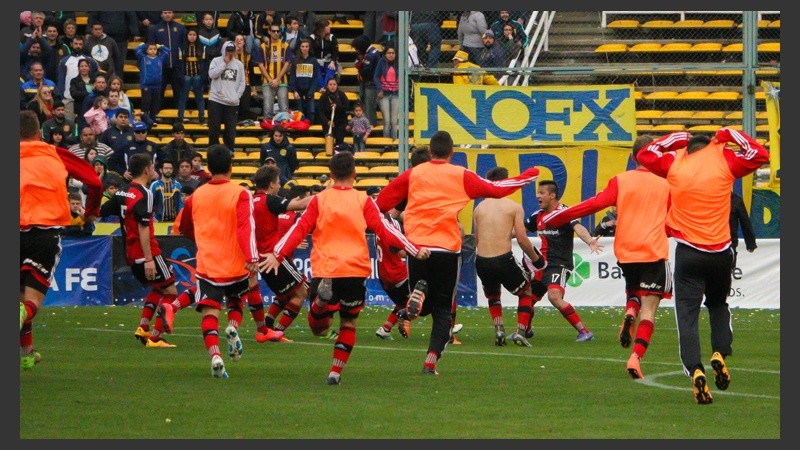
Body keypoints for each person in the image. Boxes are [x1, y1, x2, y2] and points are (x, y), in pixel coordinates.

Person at [376, 130, 539, 375]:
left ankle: (418, 295)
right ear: (452, 152)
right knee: (443, 310)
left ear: (430, 152)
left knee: (427, 306)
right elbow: (495, 189)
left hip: (417, 248)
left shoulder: (412, 174)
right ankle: (430, 363)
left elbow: (381, 204)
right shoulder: (460, 174)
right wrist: (528, 176)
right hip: (447, 249)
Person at [262, 151, 431, 385]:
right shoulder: (363, 200)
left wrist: (278, 253)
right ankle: (335, 373)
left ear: (331, 175)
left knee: (318, 329)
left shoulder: (320, 200)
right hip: (355, 269)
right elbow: (386, 230)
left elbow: (298, 229)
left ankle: (321, 304)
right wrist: (413, 249)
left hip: (326, 269)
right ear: (355, 174)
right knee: (348, 323)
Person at [636, 128, 769, 404]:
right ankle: (719, 352)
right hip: (721, 252)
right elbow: (760, 154)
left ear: (686, 148)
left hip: (689, 253)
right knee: (719, 306)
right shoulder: (725, 160)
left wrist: (677, 138)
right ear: (712, 146)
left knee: (687, 315)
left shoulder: (675, 164)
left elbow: (645, 153)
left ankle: (696, 369)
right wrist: (730, 134)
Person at [542, 136, 672, 378]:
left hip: (627, 251)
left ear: (633, 157)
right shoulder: (665, 184)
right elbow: (674, 217)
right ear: (656, 155)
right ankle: (636, 357)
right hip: (654, 250)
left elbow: (594, 204)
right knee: (650, 309)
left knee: (634, 291)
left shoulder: (621, 181)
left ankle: (630, 311)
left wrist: (559, 216)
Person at [179, 144, 276, 378]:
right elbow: (246, 227)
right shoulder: (240, 193)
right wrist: (252, 257)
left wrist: (202, 240)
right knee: (236, 303)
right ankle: (232, 327)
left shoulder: (195, 196)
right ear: (231, 166)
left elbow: (184, 227)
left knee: (209, 314)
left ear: (209, 168)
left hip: (208, 266)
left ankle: (215, 355)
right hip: (235, 264)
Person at [20, 110, 102, 369]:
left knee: (19, 296)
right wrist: (90, 214)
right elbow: (95, 183)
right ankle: (24, 341)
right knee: (31, 301)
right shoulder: (53, 152)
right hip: (44, 231)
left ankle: (26, 352)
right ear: (39, 133)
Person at [99, 153, 193, 348]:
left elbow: (102, 211)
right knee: (171, 293)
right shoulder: (146, 193)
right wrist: (150, 259)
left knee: (159, 287)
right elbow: (143, 227)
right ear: (146, 170)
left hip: (131, 254)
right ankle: (155, 338)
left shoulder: (123, 191)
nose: (154, 170)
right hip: (147, 252)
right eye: (152, 167)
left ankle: (143, 327)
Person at [473, 166, 546, 347]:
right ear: (507, 182)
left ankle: (499, 329)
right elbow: (521, 238)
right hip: (503, 259)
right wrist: (536, 259)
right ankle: (521, 331)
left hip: (481, 260)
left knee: (493, 294)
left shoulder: (479, 207)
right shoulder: (513, 207)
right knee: (526, 291)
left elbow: (477, 239)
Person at [524, 180, 601, 342]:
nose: (538, 196)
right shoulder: (537, 215)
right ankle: (525, 330)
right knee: (527, 299)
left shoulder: (564, 212)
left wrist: (590, 241)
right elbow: (519, 231)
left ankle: (584, 332)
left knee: (554, 297)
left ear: (552, 196)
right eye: (537, 192)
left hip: (559, 264)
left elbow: (578, 228)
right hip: (541, 265)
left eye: (542, 193)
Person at [250, 164, 313, 341]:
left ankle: (268, 326)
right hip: (273, 256)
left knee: (285, 294)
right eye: (278, 183)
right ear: (271, 184)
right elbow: (300, 204)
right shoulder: (269, 200)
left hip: (259, 258)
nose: (279, 186)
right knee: (302, 291)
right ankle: (278, 331)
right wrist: (328, 193)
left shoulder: (250, 201)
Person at [208, 41, 245, 154]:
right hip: (216, 99)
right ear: (224, 50)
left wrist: (236, 96)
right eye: (228, 50)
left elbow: (242, 82)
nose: (230, 53)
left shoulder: (239, 64)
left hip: (232, 102)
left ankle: (229, 149)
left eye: (232, 50)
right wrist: (224, 63)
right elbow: (212, 75)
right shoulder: (216, 61)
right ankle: (213, 149)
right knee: (214, 128)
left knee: (230, 130)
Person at [253, 24, 292, 120]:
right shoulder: (263, 46)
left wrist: (277, 79)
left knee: (284, 108)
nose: (276, 33)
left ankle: (284, 130)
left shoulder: (285, 45)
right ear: (269, 32)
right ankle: (267, 131)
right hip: (267, 81)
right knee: (267, 108)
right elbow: (261, 65)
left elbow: (287, 63)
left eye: (278, 31)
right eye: (273, 31)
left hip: (282, 81)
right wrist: (271, 79)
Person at [134, 42, 171, 123]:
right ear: (146, 51)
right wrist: (144, 45)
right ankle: (144, 119)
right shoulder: (143, 58)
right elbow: (136, 49)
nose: (153, 51)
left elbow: (167, 51)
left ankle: (152, 119)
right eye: (150, 49)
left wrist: (160, 46)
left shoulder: (160, 58)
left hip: (157, 85)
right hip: (146, 85)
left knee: (155, 104)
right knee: (146, 103)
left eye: (154, 49)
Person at [177, 27, 208, 124]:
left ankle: (201, 117)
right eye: (190, 35)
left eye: (194, 35)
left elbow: (204, 63)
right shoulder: (181, 47)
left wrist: (203, 76)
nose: (192, 37)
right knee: (183, 98)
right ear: (187, 36)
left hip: (197, 76)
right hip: (186, 76)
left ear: (197, 36)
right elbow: (179, 62)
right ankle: (180, 117)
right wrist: (181, 76)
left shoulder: (202, 47)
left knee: (199, 98)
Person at [351, 35, 381, 127]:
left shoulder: (370, 55)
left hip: (370, 84)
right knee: (368, 106)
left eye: (357, 48)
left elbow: (366, 71)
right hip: (372, 83)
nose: (356, 51)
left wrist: (361, 74)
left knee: (369, 108)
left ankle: (370, 127)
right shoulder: (374, 51)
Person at [288, 39, 319, 124]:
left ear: (309, 48)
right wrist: (294, 91)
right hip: (298, 91)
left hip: (310, 90)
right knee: (300, 113)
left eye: (306, 46)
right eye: (303, 46)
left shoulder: (313, 60)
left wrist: (312, 91)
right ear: (300, 48)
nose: (305, 48)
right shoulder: (295, 61)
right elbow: (292, 77)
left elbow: (315, 77)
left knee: (311, 112)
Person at [373, 44, 399, 140]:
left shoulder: (399, 63)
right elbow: (376, 77)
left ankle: (395, 142)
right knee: (387, 121)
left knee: (394, 121)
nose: (391, 55)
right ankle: (386, 143)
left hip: (396, 94)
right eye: (389, 53)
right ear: (385, 54)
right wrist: (380, 89)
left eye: (393, 53)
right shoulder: (381, 62)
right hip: (384, 94)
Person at [317, 78, 349, 147]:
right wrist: (327, 121)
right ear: (327, 86)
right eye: (330, 84)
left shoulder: (341, 94)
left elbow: (347, 106)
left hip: (340, 122)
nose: (332, 86)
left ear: (337, 85)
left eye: (334, 84)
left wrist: (337, 106)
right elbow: (320, 111)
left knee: (339, 142)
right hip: (328, 123)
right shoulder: (324, 96)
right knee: (329, 143)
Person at [729, 190, 757, 271]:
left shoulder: (735, 200)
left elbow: (745, 222)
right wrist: (751, 244)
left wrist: (750, 243)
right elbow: (745, 222)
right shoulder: (736, 200)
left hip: (727, 245)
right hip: (725, 246)